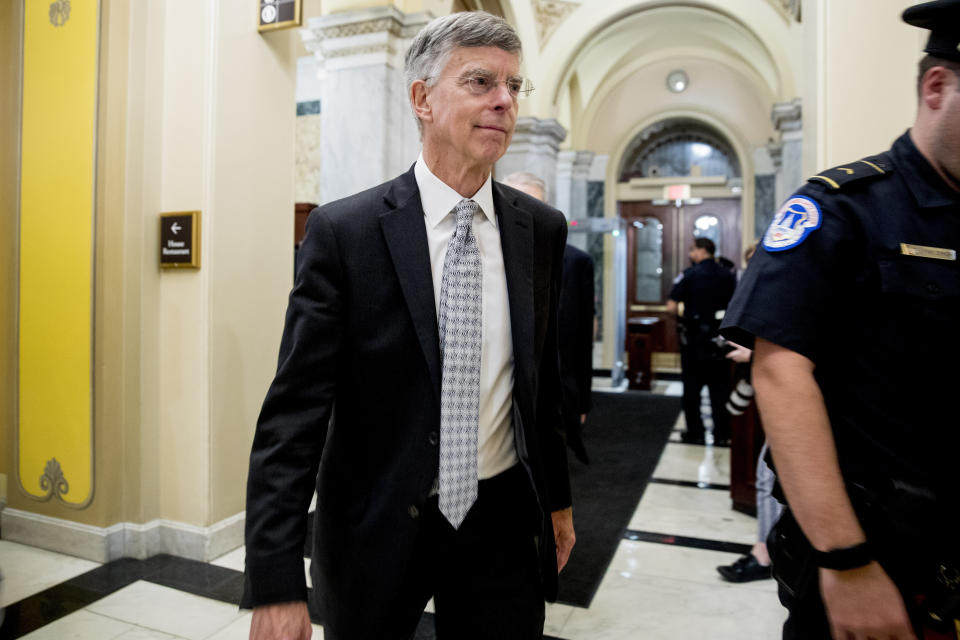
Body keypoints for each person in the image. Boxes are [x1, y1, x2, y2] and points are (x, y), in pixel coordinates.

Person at [241, 12, 575, 640]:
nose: (504, 101)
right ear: (422, 98)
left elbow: (541, 382)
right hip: (377, 522)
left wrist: (555, 499)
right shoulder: (346, 234)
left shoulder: (541, 230)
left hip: (502, 520)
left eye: (512, 86)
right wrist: (276, 577)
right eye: (480, 82)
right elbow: (294, 415)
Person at [720, 1, 960, 637]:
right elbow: (780, 370)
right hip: (883, 555)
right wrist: (845, 559)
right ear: (938, 87)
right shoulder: (846, 209)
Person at [503, 172, 595, 464]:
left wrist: (582, 398)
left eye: (534, 203)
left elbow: (583, 338)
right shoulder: (483, 255)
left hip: (557, 386)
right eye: (517, 202)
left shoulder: (577, 262)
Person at [666, 237, 736, 446]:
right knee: (720, 390)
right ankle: (722, 434)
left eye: (692, 250)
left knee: (692, 390)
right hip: (720, 341)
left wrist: (682, 319)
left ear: (702, 250)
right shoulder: (727, 274)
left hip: (694, 341)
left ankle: (695, 433)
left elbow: (671, 307)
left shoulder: (689, 274)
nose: (690, 254)